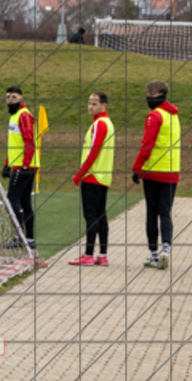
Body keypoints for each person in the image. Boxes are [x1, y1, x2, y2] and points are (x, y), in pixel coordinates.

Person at [132, 80, 180, 270]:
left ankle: (153, 254)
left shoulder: (155, 116)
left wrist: (137, 168)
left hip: (154, 171)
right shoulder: (174, 116)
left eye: (149, 95)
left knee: (152, 212)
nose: (147, 99)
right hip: (172, 171)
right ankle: (166, 248)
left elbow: (147, 144)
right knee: (165, 212)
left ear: (155, 95)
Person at [69, 91, 115, 266]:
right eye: (89, 103)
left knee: (91, 216)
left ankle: (88, 254)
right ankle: (102, 255)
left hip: (93, 176)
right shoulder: (106, 123)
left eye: (94, 103)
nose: (90, 106)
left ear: (104, 105)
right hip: (103, 176)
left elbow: (93, 151)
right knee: (101, 216)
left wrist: (80, 174)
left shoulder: (100, 124)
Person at [2, 86, 38, 249]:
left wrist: (24, 165)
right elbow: (14, 144)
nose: (10, 100)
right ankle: (29, 239)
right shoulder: (14, 116)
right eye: (8, 97)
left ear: (21, 99)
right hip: (19, 164)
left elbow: (29, 141)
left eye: (14, 97)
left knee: (12, 199)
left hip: (24, 165)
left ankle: (20, 236)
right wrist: (6, 164)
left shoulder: (23, 115)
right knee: (24, 201)